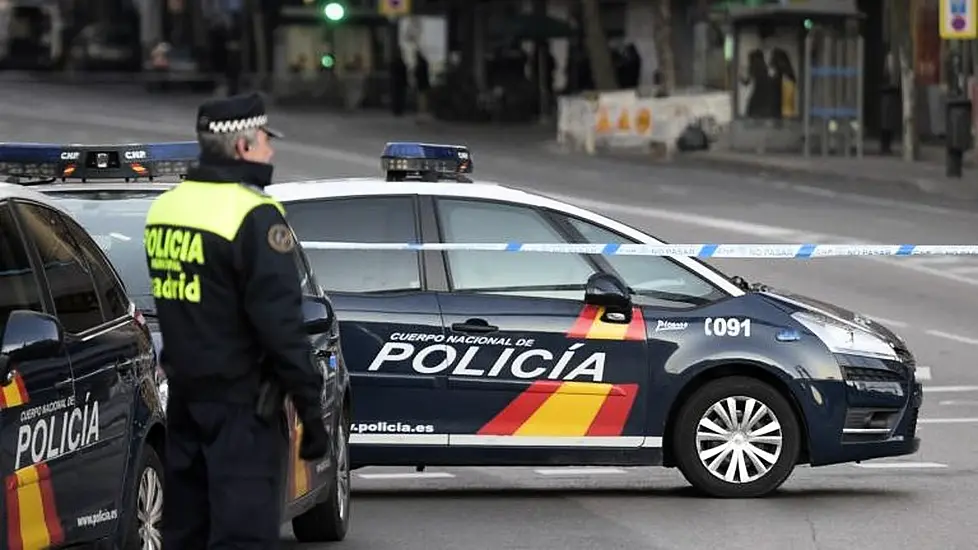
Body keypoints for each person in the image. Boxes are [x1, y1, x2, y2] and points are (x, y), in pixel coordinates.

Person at [143, 92, 329, 549]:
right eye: (265, 140)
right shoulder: (254, 216)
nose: (271, 150)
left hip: (185, 402)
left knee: (187, 532)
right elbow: (282, 326)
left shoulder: (165, 209)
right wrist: (311, 412)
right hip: (244, 409)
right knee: (242, 534)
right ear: (244, 148)